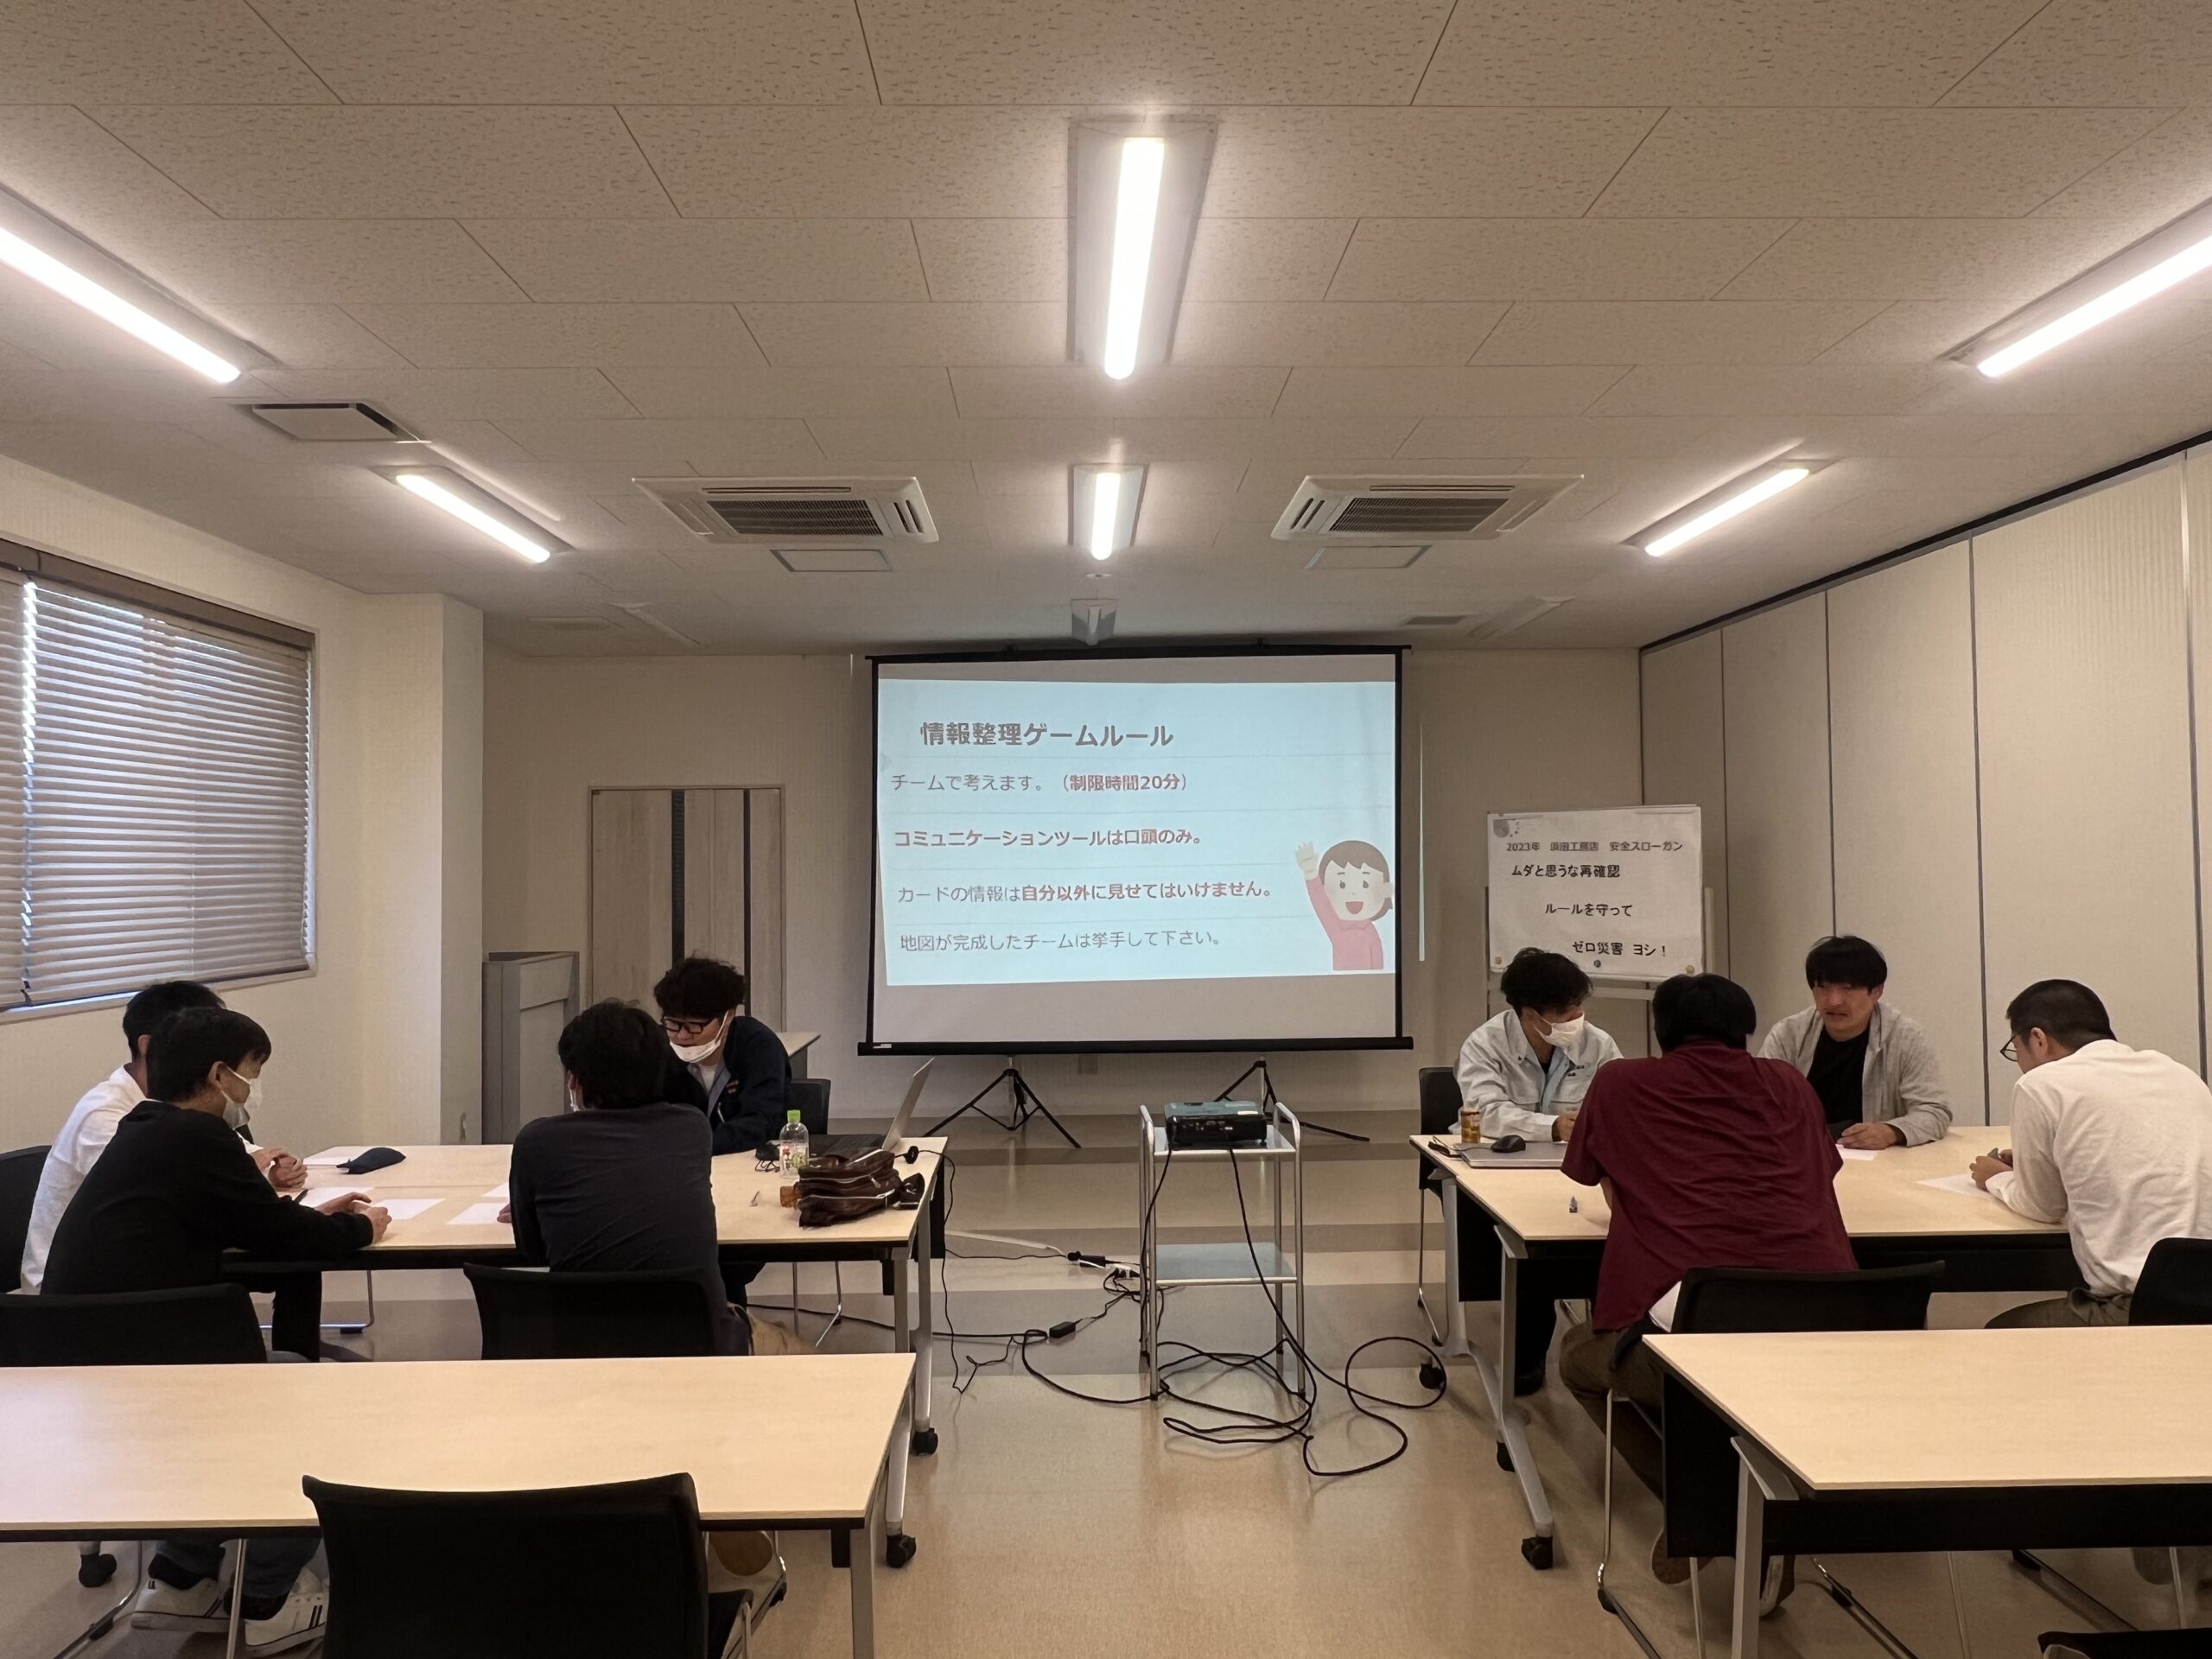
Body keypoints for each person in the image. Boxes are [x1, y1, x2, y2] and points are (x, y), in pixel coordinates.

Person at [44, 1007, 389, 1655]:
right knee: (316, 1396)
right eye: (252, 1071)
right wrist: (359, 1228)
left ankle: (182, 1577)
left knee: (247, 1385)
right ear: (219, 1075)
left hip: (84, 1369)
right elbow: (281, 1235)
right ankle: (265, 1598)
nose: (252, 1087)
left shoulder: (145, 1131)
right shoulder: (198, 1139)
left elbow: (243, 1220)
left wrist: (310, 1219)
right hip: (152, 1378)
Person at [1559, 974, 1855, 1581]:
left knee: (1577, 1359)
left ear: (1661, 1031)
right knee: (1738, 1370)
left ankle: (1709, 1506)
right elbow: (1820, 1172)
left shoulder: (1622, 1082)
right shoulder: (1788, 1083)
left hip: (1700, 1335)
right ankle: (1745, 1496)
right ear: (1745, 1028)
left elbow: (1597, 1179)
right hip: (1826, 1331)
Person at [508, 999, 782, 1641]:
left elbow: (532, 1252)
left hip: (574, 1353)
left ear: (575, 1080)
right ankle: (730, 1501)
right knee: (781, 1347)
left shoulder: (538, 1142)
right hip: (694, 1346)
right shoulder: (688, 1129)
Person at [18, 981, 306, 1293]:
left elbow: (233, 1161)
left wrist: (268, 1170)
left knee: (296, 1256)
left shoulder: (185, 1102)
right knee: (287, 1244)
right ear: (149, 1045)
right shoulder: (103, 1114)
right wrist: (245, 1172)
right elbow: (174, 1190)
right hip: (77, 1286)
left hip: (145, 1255)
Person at [1974, 979, 2212, 1328]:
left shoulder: (2041, 1084)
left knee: (2000, 1332)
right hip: (2204, 1288)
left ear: (2038, 1039)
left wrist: (1997, 1178)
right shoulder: (2177, 1072)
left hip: (2138, 1306)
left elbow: (2043, 1206)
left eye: (2016, 1048)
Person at [1455, 947, 1624, 1392]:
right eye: (1566, 1011)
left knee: (1609, 1234)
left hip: (1578, 1171)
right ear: (1531, 1015)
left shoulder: (1599, 1045)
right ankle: (1527, 1355)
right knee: (1527, 1241)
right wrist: (1551, 1127)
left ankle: (1610, 1346)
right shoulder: (1485, 1044)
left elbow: (1621, 1105)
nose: (1577, 1018)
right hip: (1504, 1169)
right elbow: (1485, 1112)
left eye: (1579, 1006)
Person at [1759, 936, 1953, 1147]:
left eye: (1848, 988)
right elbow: (1758, 1102)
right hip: (1801, 1154)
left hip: (1877, 1161)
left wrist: (1891, 1132)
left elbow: (1935, 1112)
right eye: (1823, 987)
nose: (1834, 1001)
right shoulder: (1789, 1034)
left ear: (1877, 991)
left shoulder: (1905, 1037)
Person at [655, 956, 791, 1158]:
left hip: (745, 1163)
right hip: (678, 1164)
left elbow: (758, 1124)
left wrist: (691, 1145)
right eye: (673, 1023)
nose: (681, 1036)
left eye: (694, 1025)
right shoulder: (658, 1049)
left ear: (728, 1016)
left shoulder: (757, 1046)